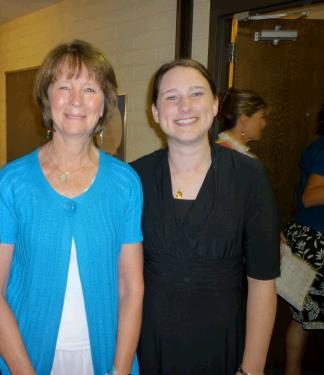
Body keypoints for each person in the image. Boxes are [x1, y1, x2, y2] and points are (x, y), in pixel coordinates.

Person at [0, 40, 144, 375]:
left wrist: (119, 370)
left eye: (89, 89)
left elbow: (131, 288)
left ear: (105, 103)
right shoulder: (11, 183)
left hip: (103, 358)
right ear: (46, 98)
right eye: (64, 87)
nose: (76, 101)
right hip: (25, 357)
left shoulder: (125, 183)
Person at [131, 59, 280, 375]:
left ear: (214, 105)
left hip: (223, 344)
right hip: (149, 345)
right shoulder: (134, 178)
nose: (184, 106)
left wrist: (251, 370)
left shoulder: (250, 177)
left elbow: (263, 282)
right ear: (156, 112)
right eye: (171, 97)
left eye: (196, 94)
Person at [283, 104, 324, 375]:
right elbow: (310, 197)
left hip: (311, 237)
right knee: (303, 318)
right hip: (316, 240)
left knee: (302, 319)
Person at [216, 88, 268, 158]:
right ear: (244, 120)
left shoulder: (226, 151)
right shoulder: (225, 155)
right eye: (261, 117)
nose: (264, 123)